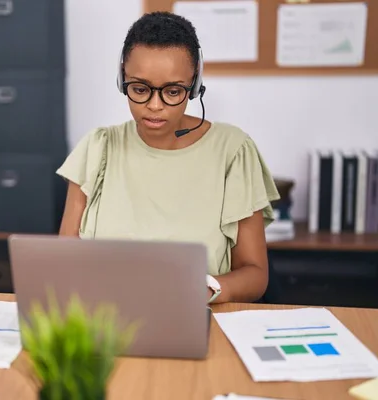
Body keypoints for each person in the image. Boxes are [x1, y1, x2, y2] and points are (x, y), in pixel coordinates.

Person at [56, 11, 280, 304]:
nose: (154, 106)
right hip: (106, 320)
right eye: (139, 89)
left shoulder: (233, 151)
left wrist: (205, 289)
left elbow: (254, 274)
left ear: (195, 84)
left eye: (173, 91)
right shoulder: (99, 147)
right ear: (121, 79)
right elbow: (63, 263)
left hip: (199, 318)